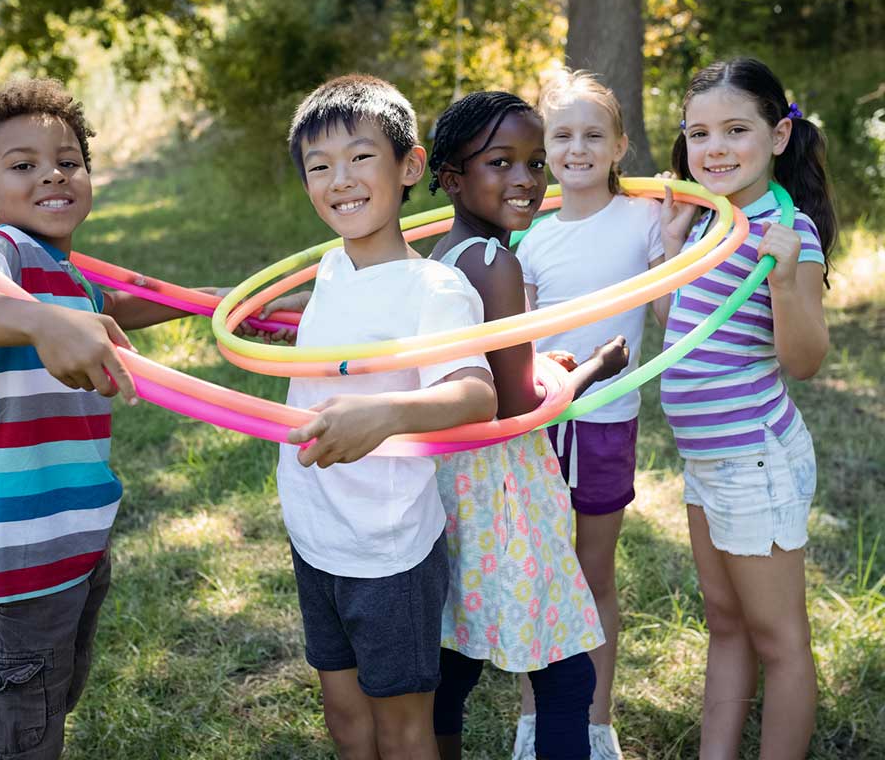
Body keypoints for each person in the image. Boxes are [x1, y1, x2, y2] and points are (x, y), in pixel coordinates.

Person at [0, 78, 215, 759]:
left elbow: (128, 301)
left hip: (72, 539)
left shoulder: (64, 273)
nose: (53, 172)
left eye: (68, 160)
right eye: (23, 165)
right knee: (21, 729)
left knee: (50, 697)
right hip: (16, 554)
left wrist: (231, 307)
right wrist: (36, 321)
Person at [277, 74, 498, 759]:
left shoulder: (434, 288)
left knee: (403, 731)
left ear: (408, 167)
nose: (339, 178)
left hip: (388, 551)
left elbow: (475, 394)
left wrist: (386, 415)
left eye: (359, 157)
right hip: (317, 534)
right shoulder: (331, 271)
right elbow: (344, 340)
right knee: (345, 721)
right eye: (319, 166)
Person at [423, 90, 630, 760]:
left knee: (455, 660)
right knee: (567, 675)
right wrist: (595, 365)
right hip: (505, 491)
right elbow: (515, 407)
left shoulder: (445, 258)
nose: (526, 179)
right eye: (500, 163)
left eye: (535, 162)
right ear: (453, 178)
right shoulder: (495, 262)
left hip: (455, 487)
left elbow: (480, 360)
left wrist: (535, 360)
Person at [658, 56, 835, 760]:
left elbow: (806, 359)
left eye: (736, 129)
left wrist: (788, 279)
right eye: (699, 134)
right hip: (707, 460)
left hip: (753, 459)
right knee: (725, 623)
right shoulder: (712, 223)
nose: (716, 148)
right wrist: (673, 251)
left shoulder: (784, 235)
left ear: (780, 134)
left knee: (780, 641)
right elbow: (693, 335)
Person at [514, 68, 675, 760]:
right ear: (546, 148)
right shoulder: (532, 237)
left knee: (594, 570)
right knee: (539, 570)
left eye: (592, 135)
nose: (576, 148)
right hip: (540, 426)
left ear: (618, 147)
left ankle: (597, 720)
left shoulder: (642, 219)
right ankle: (532, 716)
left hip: (608, 420)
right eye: (562, 135)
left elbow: (669, 319)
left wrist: (670, 243)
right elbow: (516, 349)